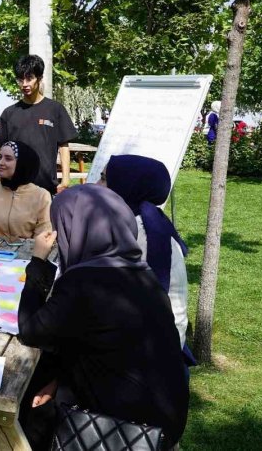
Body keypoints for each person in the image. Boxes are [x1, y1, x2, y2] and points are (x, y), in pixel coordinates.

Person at [17, 185, 189, 449]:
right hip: (166, 414)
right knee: (45, 383)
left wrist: (38, 261)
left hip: (129, 429)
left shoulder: (85, 282)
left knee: (30, 407)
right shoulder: (142, 274)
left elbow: (30, 330)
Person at [101, 154, 195, 366]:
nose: (97, 185)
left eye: (105, 179)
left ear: (126, 185)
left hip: (153, 353)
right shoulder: (136, 221)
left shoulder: (146, 235)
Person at [0, 55, 77, 196]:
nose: (24, 84)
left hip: (46, 187)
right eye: (20, 79)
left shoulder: (55, 109)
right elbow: (0, 148)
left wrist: (66, 179)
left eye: (29, 78)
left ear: (39, 78)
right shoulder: (9, 113)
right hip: (14, 188)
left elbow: (63, 146)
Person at [0, 141, 51, 242]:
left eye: (8, 158)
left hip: (29, 255)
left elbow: (42, 238)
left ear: (22, 163)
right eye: (0, 157)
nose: (0, 162)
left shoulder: (41, 196)